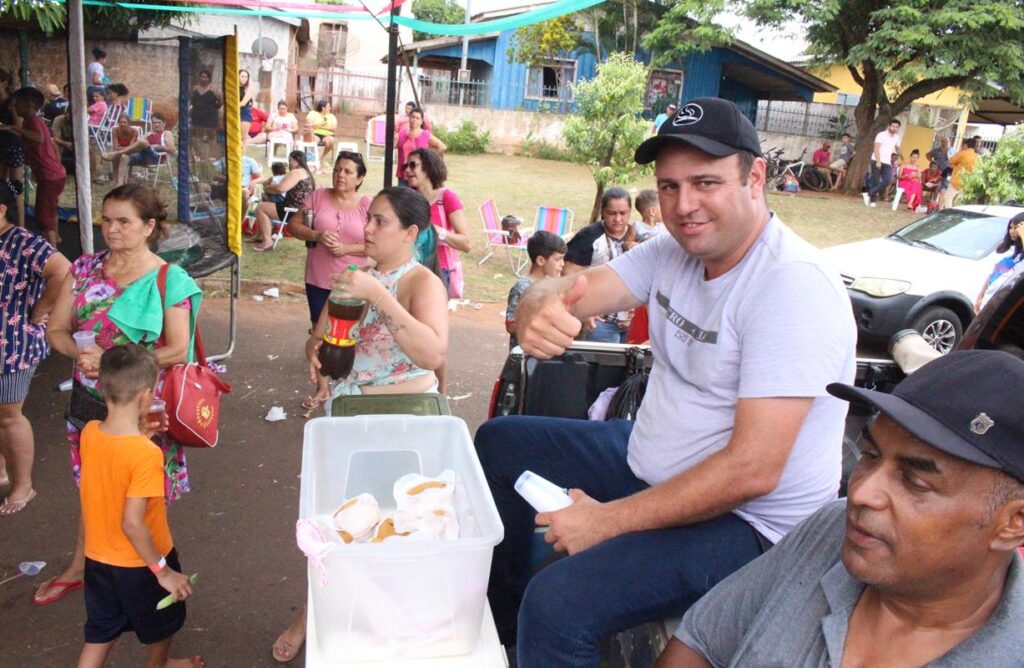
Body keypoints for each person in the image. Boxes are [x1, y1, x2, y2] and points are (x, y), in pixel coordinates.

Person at [475, 96, 856, 667]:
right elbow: (573, 291)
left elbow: (753, 469)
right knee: (499, 444)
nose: (684, 205)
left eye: (705, 182)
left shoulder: (791, 287)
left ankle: (534, 633)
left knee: (557, 604)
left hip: (748, 524)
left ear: (756, 177)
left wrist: (605, 523)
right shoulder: (674, 251)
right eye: (670, 186)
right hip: (649, 454)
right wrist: (534, 302)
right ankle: (499, 638)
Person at [658, 350, 1024, 668]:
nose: (862, 491)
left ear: (1013, 522)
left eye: (915, 482)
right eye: (870, 455)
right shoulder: (833, 528)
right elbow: (702, 640)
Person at [273, 186, 449, 663]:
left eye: (380, 222)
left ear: (411, 232)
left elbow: (433, 354)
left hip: (405, 420)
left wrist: (379, 296)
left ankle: (392, 624)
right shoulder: (353, 278)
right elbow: (319, 338)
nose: (366, 229)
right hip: (349, 414)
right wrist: (315, 355)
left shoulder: (421, 283)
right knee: (334, 525)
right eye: (368, 219)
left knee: (401, 527)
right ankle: (313, 615)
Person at [34, 184, 202, 607]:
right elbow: (57, 330)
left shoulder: (169, 279)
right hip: (91, 404)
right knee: (95, 485)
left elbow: (178, 349)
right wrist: (79, 352)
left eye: (124, 221)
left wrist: (108, 362)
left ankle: (153, 575)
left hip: (143, 408)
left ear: (149, 227)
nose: (111, 229)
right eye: (106, 220)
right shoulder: (85, 269)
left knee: (142, 494)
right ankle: (85, 567)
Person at [76, 344, 203, 668]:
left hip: (98, 560)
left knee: (101, 632)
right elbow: (132, 523)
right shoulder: (146, 455)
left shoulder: (90, 432)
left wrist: (142, 437)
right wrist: (164, 573)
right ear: (146, 397)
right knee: (162, 625)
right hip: (141, 563)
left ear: (103, 387)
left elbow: (115, 468)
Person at [0, 180, 69, 515]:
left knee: (9, 415)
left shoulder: (23, 242)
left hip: (11, 346)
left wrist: (41, 309)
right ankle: (1, 469)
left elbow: (64, 271)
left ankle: (23, 486)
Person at [285, 150, 371, 411]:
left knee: (351, 333)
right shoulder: (318, 196)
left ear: (359, 178)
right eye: (337, 169)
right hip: (319, 277)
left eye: (347, 171)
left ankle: (350, 383)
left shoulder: (368, 205)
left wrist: (346, 250)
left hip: (353, 282)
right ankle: (322, 386)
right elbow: (293, 226)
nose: (340, 175)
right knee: (318, 333)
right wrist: (317, 234)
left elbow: (374, 244)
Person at [563, 186, 634, 343]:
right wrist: (584, 310)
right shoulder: (588, 237)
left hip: (631, 321)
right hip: (599, 320)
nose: (617, 219)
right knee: (601, 365)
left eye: (623, 213)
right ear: (603, 211)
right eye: (612, 213)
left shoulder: (636, 236)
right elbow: (569, 275)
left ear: (630, 211)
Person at [404, 147, 472, 298]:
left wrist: (438, 231)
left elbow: (466, 244)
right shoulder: (409, 200)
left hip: (440, 271)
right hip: (411, 269)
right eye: (406, 166)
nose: (407, 170)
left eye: (413, 165)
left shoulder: (447, 198)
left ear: (428, 167)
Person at [4, 87, 67, 246]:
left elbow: (38, 138)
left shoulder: (32, 121)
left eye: (18, 103)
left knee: (43, 218)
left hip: (49, 176)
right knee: (51, 209)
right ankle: (57, 237)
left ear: (30, 105)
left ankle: (52, 254)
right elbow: (52, 146)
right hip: (55, 174)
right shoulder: (33, 121)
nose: (15, 106)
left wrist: (12, 127)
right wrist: (56, 165)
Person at [506, 231, 567, 350]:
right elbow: (510, 325)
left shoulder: (552, 285)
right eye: (558, 259)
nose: (563, 264)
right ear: (541, 261)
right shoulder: (522, 287)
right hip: (525, 354)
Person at [252, 150, 316, 252]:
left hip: (294, 210)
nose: (288, 164)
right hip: (301, 209)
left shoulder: (297, 172)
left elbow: (281, 188)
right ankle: (260, 236)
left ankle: (267, 241)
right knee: (264, 205)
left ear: (296, 160)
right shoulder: (306, 172)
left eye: (290, 160)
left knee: (261, 207)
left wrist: (267, 188)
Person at [975, 213, 1024, 314]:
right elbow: (993, 275)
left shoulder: (1021, 256)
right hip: (989, 302)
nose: (1013, 231)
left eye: (1016, 228)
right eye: (1011, 227)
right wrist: (981, 296)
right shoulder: (1007, 250)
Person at [395, 107, 445, 186]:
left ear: (421, 121)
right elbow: (393, 146)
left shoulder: (425, 135)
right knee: (402, 198)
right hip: (403, 174)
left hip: (418, 176)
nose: (414, 120)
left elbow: (442, 147)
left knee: (417, 198)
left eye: (417, 118)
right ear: (409, 118)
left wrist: (430, 160)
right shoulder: (401, 133)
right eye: (413, 117)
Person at [100, 115, 149, 186]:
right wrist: (124, 148)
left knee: (122, 154)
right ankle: (115, 178)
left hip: (130, 151)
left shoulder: (134, 131)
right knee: (116, 155)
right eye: (120, 122)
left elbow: (132, 147)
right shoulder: (115, 130)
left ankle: (128, 177)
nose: (122, 124)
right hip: (119, 151)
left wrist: (122, 148)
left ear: (129, 123)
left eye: (124, 122)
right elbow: (115, 146)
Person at [864, 118, 901, 208]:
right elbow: (876, 148)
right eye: (893, 126)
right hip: (876, 160)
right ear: (889, 126)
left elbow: (898, 148)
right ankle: (873, 201)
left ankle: (869, 194)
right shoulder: (881, 135)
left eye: (896, 127)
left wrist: (903, 159)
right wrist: (878, 161)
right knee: (875, 181)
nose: (894, 128)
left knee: (887, 180)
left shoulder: (897, 137)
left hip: (887, 162)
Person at [0, 96, 25, 226]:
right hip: (2, 145)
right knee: (3, 185)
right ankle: (5, 220)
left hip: (13, 145)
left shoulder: (12, 102)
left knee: (17, 187)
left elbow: (19, 127)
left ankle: (21, 226)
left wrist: (6, 127)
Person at [189, 70, 221, 159]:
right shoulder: (194, 88)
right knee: (198, 135)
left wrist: (214, 109)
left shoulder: (214, 89)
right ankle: (200, 155)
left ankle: (212, 156)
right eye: (202, 76)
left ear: (209, 78)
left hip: (211, 114)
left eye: (205, 77)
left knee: (212, 135)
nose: (203, 78)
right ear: (199, 78)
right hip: (197, 114)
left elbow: (220, 101)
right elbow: (192, 100)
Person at [943, 137, 979, 210]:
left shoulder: (963, 153)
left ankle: (949, 214)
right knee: (957, 202)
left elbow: (950, 161)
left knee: (948, 198)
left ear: (966, 145)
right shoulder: (977, 156)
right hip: (967, 183)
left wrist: (960, 151)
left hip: (957, 181)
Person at [304, 99, 337, 167]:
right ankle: (314, 158)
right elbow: (309, 124)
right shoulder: (313, 114)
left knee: (330, 141)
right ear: (323, 108)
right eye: (328, 106)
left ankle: (322, 158)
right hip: (315, 133)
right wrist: (314, 126)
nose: (330, 108)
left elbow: (334, 129)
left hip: (328, 135)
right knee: (314, 140)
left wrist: (320, 127)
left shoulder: (331, 116)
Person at [239, 69, 255, 149]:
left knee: (242, 138)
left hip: (244, 114)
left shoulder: (249, 88)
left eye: (246, 77)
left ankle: (240, 158)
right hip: (233, 113)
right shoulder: (234, 88)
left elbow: (243, 103)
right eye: (242, 76)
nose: (244, 78)